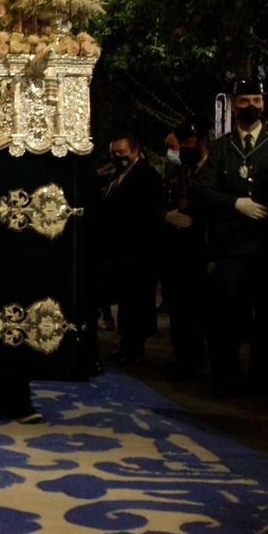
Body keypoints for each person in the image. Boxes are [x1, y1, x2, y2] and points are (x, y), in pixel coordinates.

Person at [192, 80, 268, 396]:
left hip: (267, 244)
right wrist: (235, 203)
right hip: (232, 246)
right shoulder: (223, 148)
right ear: (234, 104)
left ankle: (261, 378)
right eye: (244, 100)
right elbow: (202, 189)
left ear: (263, 104)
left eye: (256, 99)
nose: (250, 105)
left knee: (265, 317)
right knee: (228, 316)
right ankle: (227, 376)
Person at [97, 131, 162, 370]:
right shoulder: (119, 174)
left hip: (139, 250)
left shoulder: (146, 176)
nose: (117, 157)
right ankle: (126, 345)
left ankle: (135, 348)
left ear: (134, 152)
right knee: (127, 302)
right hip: (121, 250)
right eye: (114, 153)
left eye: (122, 152)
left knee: (138, 302)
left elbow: (144, 214)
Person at [160, 124, 209, 378]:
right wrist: (166, 216)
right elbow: (163, 201)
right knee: (180, 310)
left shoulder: (211, 171)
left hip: (204, 250)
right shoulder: (178, 172)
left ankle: (197, 358)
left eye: (187, 142)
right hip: (179, 251)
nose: (183, 148)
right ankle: (183, 358)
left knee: (200, 311)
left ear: (201, 141)